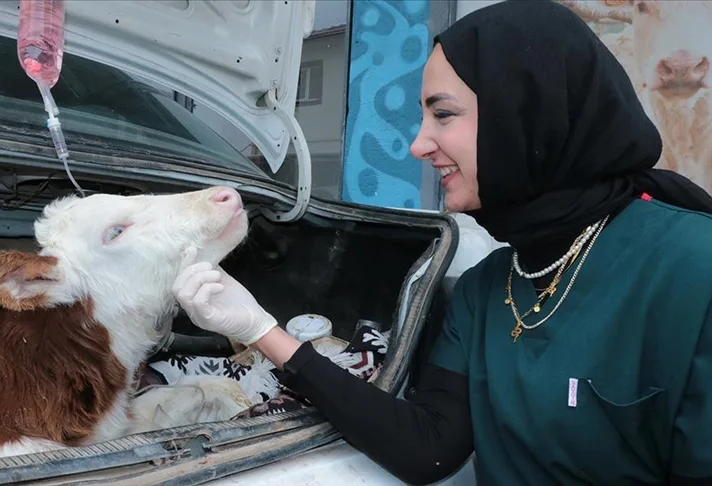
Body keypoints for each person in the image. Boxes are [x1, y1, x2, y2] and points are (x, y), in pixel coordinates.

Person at [172, 1, 712, 485]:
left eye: (444, 113)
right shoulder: (488, 286)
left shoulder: (692, 268)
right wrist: (259, 329)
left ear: (529, 112)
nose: (417, 144)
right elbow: (429, 448)